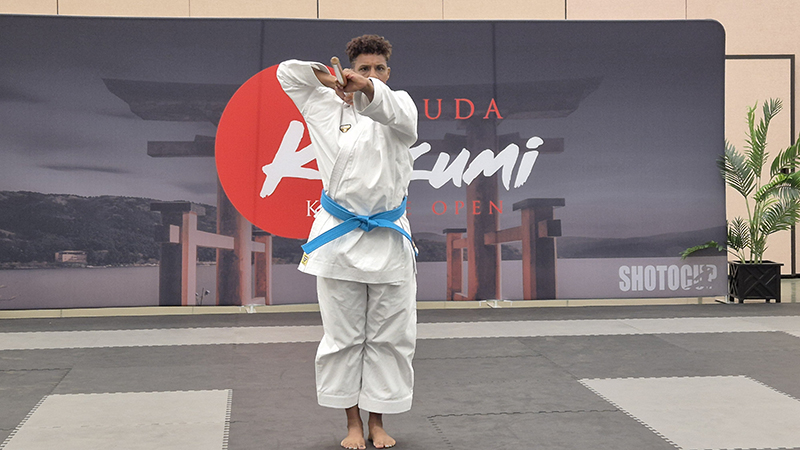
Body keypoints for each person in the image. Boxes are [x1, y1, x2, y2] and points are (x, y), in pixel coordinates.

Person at [277, 35, 418, 449]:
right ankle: (352, 424)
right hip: (339, 239)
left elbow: (394, 112)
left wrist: (367, 87)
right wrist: (327, 79)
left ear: (388, 73)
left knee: (390, 337)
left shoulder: (400, 106)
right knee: (343, 338)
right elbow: (287, 74)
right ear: (348, 69)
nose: (371, 74)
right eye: (363, 68)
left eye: (378, 69)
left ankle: (378, 422)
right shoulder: (322, 105)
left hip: (389, 238)